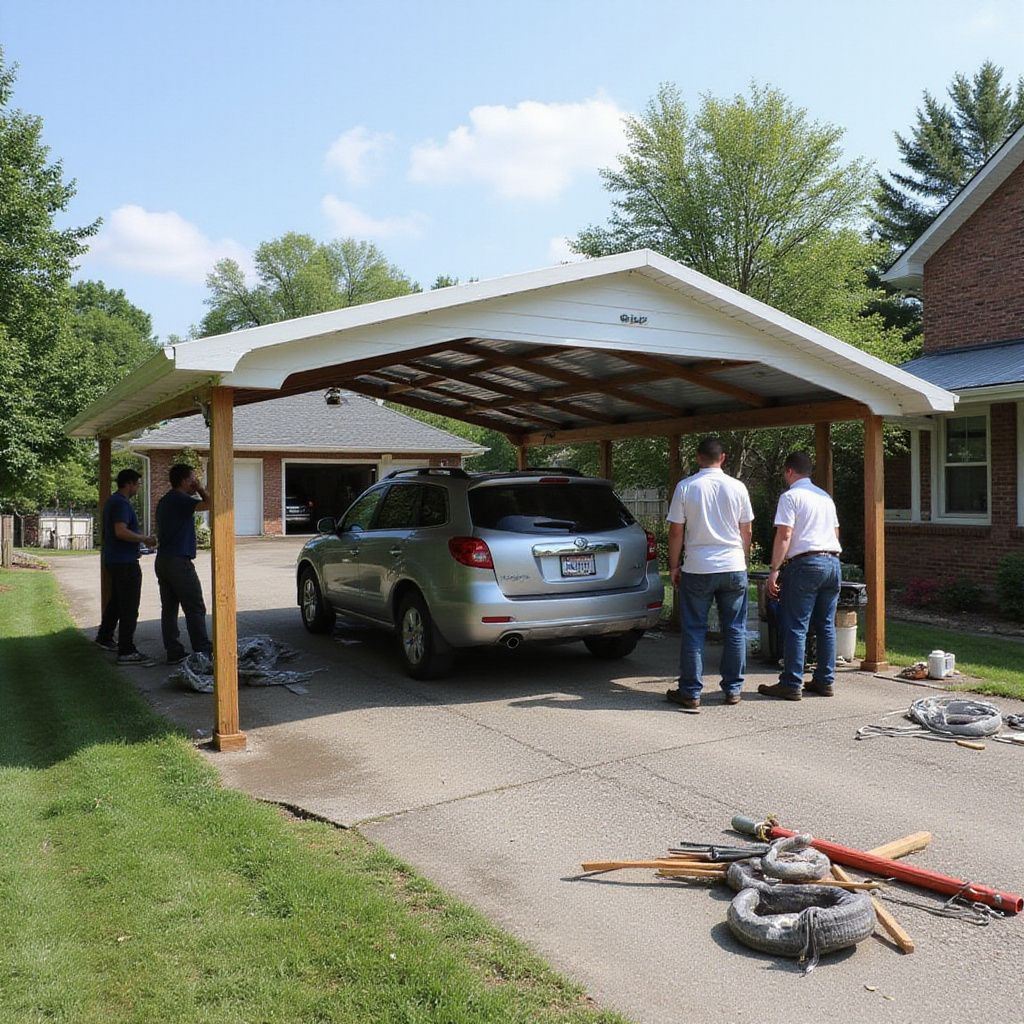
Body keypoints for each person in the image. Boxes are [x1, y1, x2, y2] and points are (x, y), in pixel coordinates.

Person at [665, 437, 754, 713]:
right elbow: (747, 529)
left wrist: (674, 565)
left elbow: (676, 531)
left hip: (699, 567)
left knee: (694, 629)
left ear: (697, 457)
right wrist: (744, 557)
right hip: (733, 565)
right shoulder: (738, 487)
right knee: (735, 629)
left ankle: (691, 692)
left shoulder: (686, 487)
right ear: (723, 458)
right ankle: (733, 689)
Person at [759, 451, 842, 701]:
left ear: (790, 471)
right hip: (832, 562)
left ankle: (791, 682)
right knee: (826, 625)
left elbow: (785, 535)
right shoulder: (825, 497)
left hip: (805, 564)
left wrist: (774, 569)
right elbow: (836, 533)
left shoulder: (790, 497)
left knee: (796, 625)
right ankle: (824, 680)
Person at [95, 468, 158, 665]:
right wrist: (145, 539)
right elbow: (120, 531)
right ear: (129, 484)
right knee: (130, 607)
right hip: (124, 563)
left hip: (116, 559)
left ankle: (104, 636)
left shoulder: (113, 501)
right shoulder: (121, 503)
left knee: (116, 601)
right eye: (137, 484)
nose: (138, 488)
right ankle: (126, 650)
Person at [155, 463, 213, 665]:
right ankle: (202, 651)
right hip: (179, 561)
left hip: (163, 560)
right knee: (195, 606)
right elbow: (210, 504)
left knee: (169, 608)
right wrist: (200, 489)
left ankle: (174, 651)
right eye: (192, 479)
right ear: (184, 481)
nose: (194, 482)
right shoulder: (181, 499)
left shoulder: (165, 501)